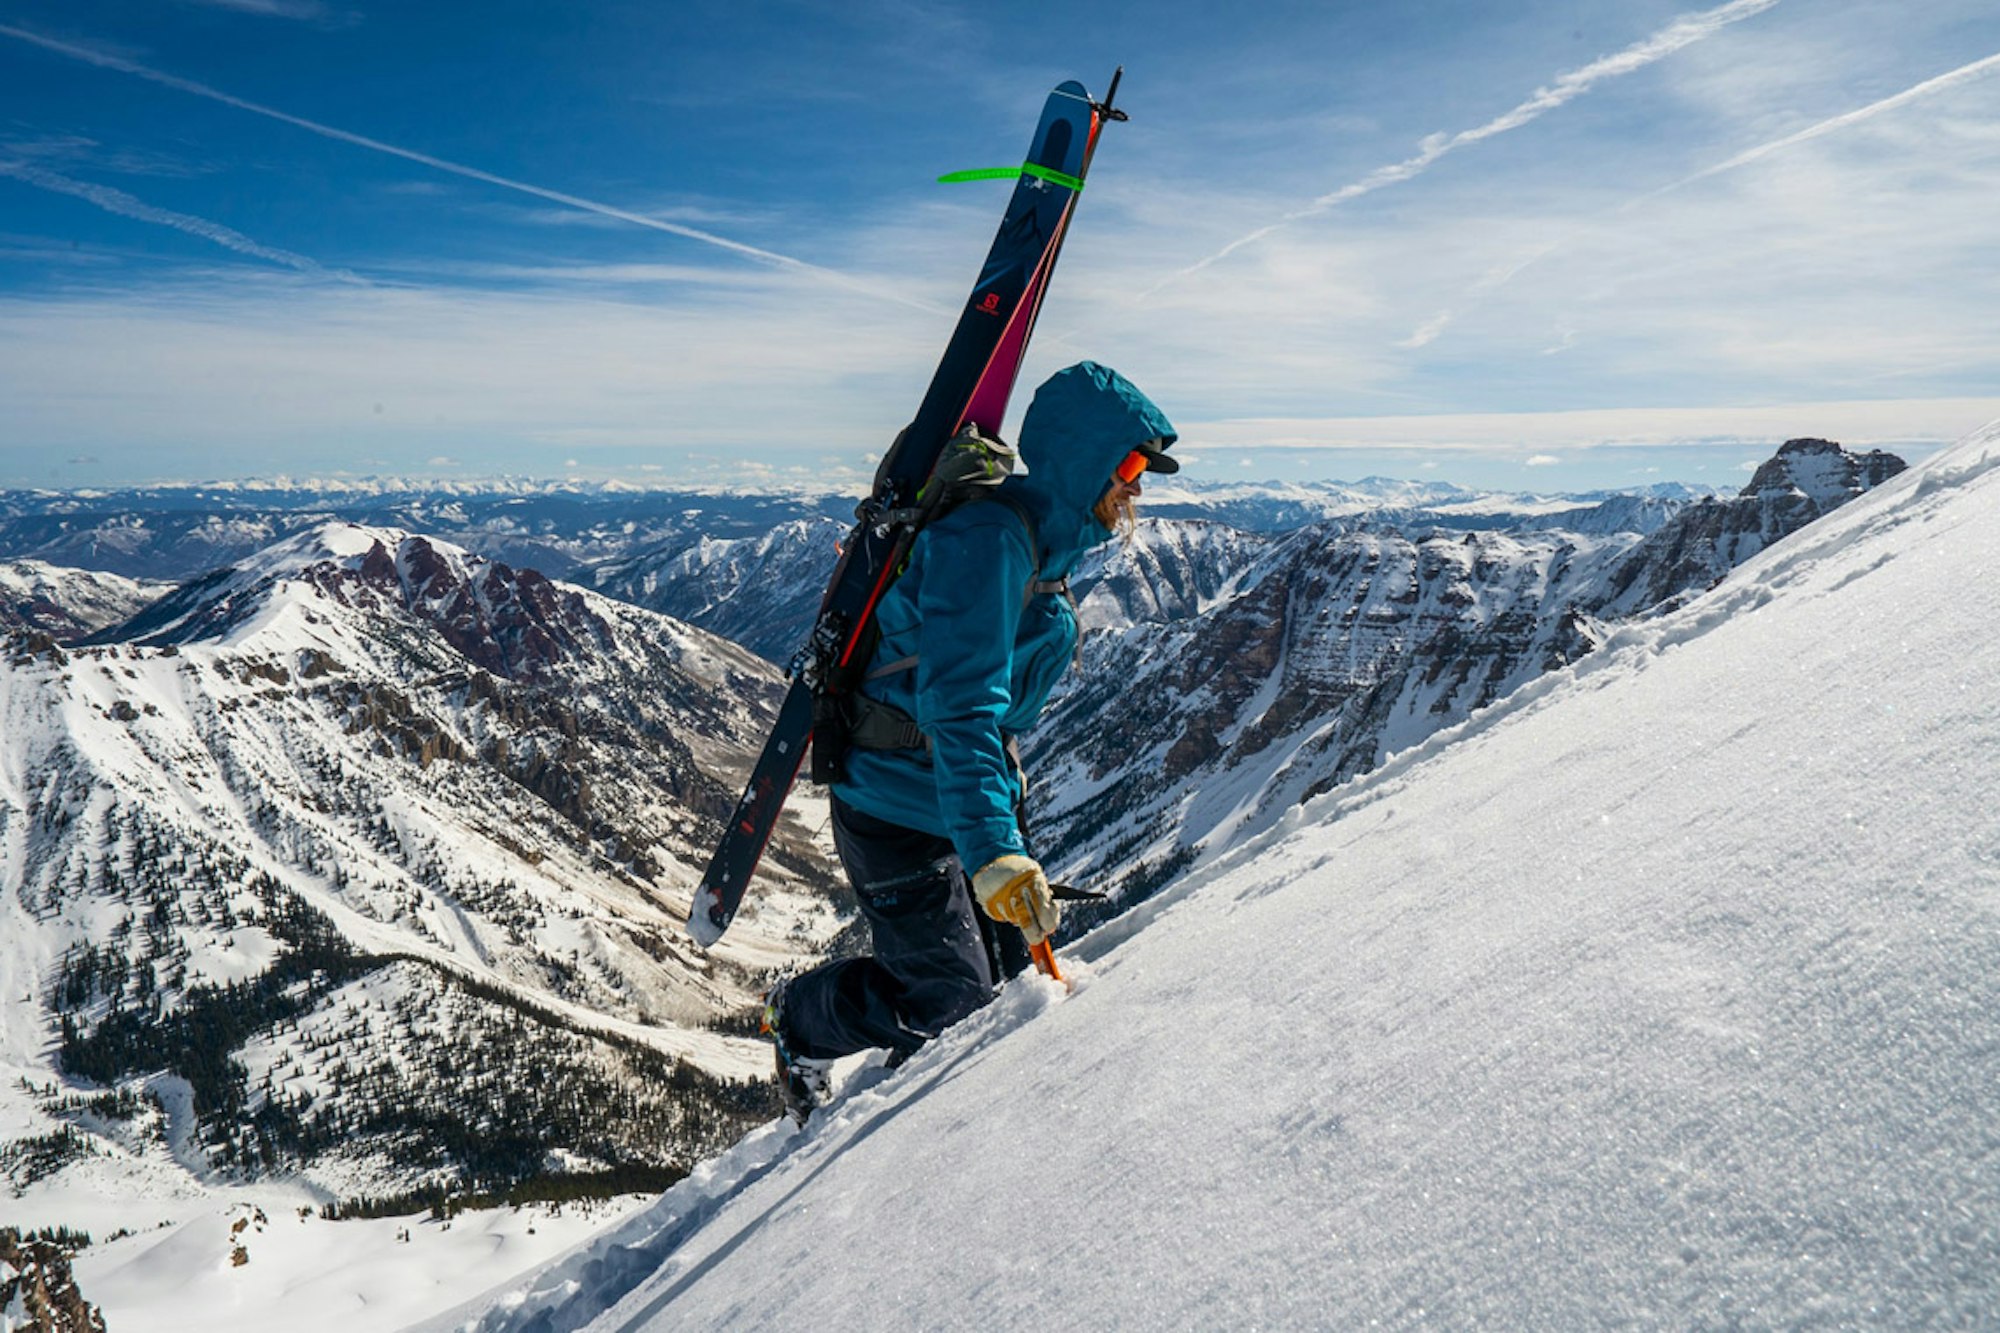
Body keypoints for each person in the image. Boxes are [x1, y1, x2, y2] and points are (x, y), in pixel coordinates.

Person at [762, 360, 1178, 1121]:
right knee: (951, 1003)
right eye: (1127, 465)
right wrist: (993, 851)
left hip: (959, 798)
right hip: (892, 805)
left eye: (1144, 470)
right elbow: (960, 709)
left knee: (1022, 982)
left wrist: (996, 831)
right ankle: (800, 1019)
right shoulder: (990, 541)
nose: (1137, 487)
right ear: (1081, 457)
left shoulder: (1050, 547)